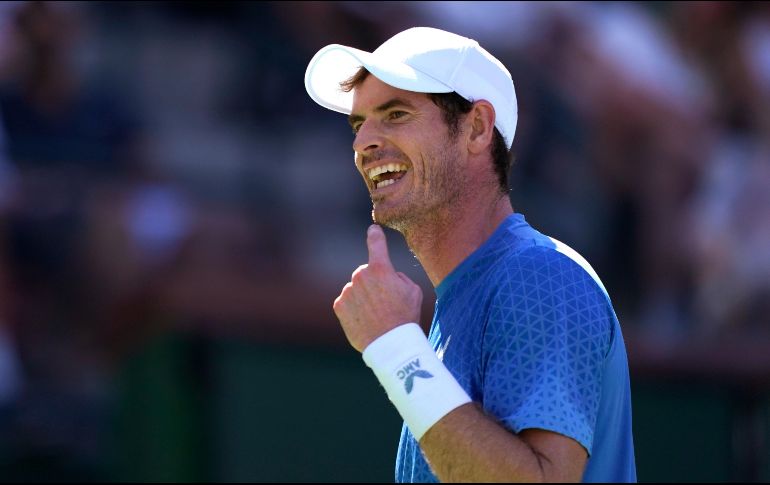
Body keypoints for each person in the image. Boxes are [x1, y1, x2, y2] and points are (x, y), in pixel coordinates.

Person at [304, 27, 636, 483]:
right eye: (359, 125)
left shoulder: (540, 278)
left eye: (395, 114)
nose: (363, 144)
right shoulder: (473, 297)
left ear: (477, 127)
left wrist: (397, 348)